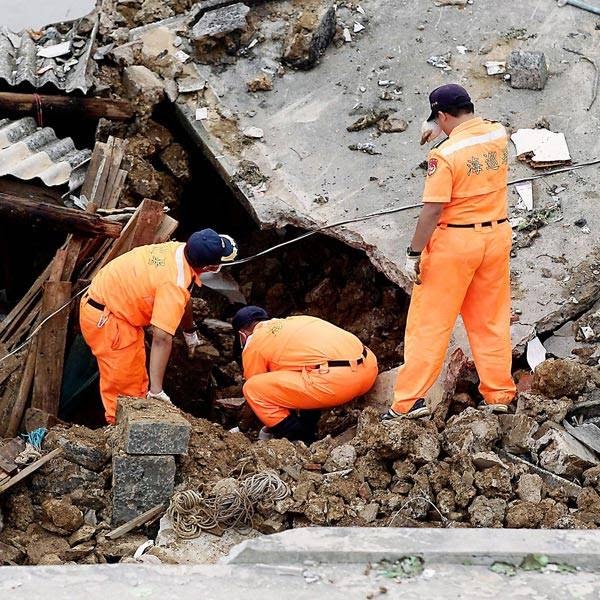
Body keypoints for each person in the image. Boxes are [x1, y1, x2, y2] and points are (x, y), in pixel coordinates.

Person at [383, 83, 516, 423]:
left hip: (455, 244)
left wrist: (414, 252)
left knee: (430, 323)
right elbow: (475, 133)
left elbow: (432, 211)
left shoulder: (444, 156)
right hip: (496, 236)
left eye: (436, 118)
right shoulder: (497, 135)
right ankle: (499, 394)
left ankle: (408, 401)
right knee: (490, 319)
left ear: (442, 115)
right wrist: (442, 129)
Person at [80, 229, 238, 424]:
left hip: (114, 304)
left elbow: (184, 296)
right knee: (127, 395)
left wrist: (190, 331)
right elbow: (161, 338)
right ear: (209, 267)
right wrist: (156, 390)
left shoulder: (180, 251)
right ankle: (119, 432)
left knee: (132, 381)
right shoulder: (174, 282)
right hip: (110, 320)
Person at [233, 306, 379, 443]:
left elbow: (258, 393)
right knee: (304, 372)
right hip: (369, 367)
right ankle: (307, 425)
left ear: (242, 335)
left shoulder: (254, 343)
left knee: (252, 388)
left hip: (338, 384)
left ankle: (298, 437)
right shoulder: (295, 321)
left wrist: (243, 427)